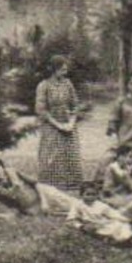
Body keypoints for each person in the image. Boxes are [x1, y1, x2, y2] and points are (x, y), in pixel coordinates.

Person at [34, 56, 84, 190]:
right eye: (62, 69)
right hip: (51, 125)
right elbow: (41, 110)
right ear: (54, 69)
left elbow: (75, 105)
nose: (65, 71)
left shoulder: (68, 84)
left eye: (66, 69)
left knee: (70, 153)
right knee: (52, 154)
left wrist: (71, 123)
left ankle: (72, 184)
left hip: (68, 124)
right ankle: (52, 186)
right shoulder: (43, 86)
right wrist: (58, 125)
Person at [0, 156, 81, 218]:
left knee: (73, 205)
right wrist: (3, 216)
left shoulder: (13, 172)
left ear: (2, 167)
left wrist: (44, 202)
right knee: (65, 215)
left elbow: (36, 184)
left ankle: (91, 208)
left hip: (43, 195)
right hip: (31, 208)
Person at [98, 145, 132, 222]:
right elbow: (131, 187)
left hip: (125, 194)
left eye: (131, 157)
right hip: (113, 195)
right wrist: (129, 177)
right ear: (120, 157)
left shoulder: (127, 168)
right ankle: (123, 219)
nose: (130, 160)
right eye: (128, 156)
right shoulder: (113, 167)